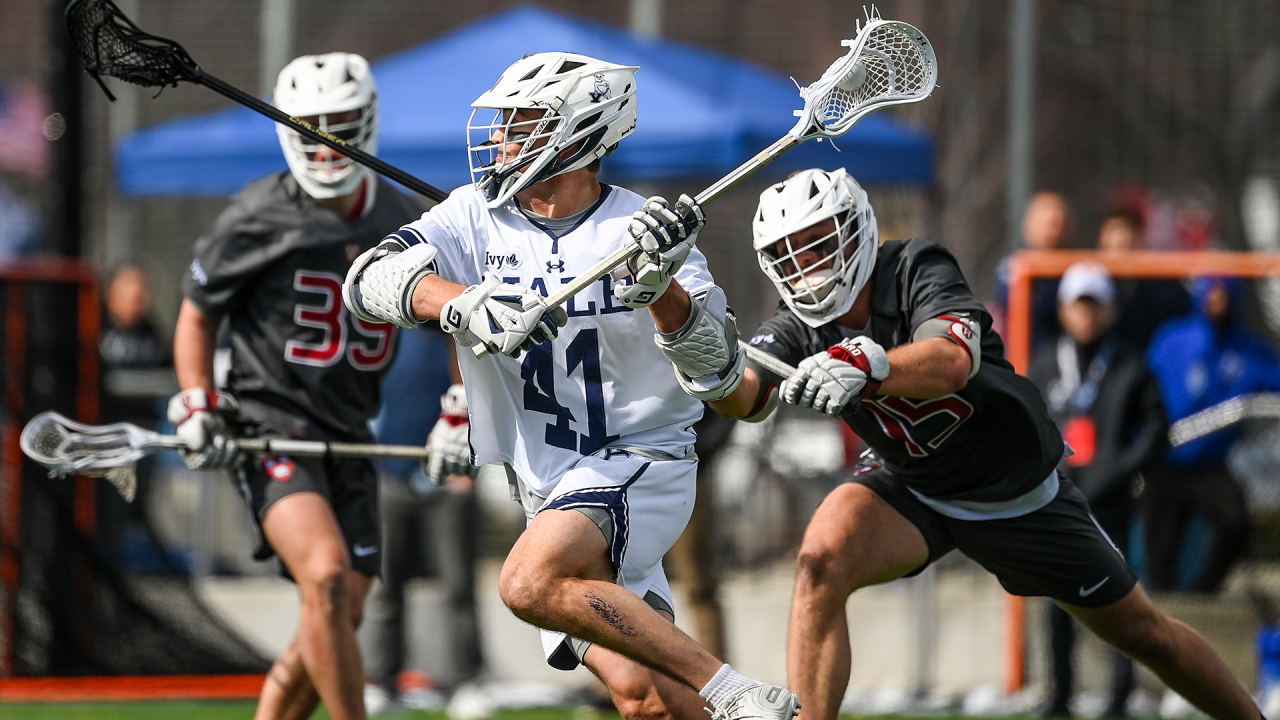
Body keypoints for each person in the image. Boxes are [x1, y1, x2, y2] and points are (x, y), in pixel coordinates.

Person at [705, 168, 1260, 720]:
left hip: (1014, 494)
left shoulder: (915, 266)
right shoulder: (798, 324)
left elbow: (950, 360)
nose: (806, 269)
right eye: (789, 256)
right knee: (821, 559)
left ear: (856, 231)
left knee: (1145, 635)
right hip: (912, 484)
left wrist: (867, 363)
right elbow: (746, 397)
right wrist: (689, 339)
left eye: (817, 244)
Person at [342, 52, 799, 720]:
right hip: (547, 491)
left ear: (580, 133)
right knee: (644, 698)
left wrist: (660, 291)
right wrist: (458, 303)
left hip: (639, 463)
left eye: (521, 123)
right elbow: (366, 283)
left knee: (527, 582)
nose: (499, 140)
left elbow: (726, 387)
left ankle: (736, 691)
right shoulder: (473, 216)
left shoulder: (642, 233)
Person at [168, 53, 424, 720]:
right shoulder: (257, 212)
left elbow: (452, 320)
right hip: (270, 422)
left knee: (339, 607)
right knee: (328, 579)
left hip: (351, 432)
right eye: (313, 129)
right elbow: (197, 314)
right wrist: (198, 402)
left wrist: (460, 411)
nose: (328, 144)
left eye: (342, 125)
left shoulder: (400, 219)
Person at [1029, 262, 1166, 718]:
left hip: (1111, 503)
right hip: (1057, 500)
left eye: (1095, 305)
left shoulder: (1130, 364)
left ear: (1109, 310)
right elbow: (1026, 424)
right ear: (1064, 310)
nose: (1086, 315)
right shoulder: (1046, 362)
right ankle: (1059, 695)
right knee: (1057, 605)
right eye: (1078, 305)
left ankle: (1120, 696)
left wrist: (1119, 469)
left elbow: (1154, 428)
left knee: (1119, 600)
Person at [361, 328, 483, 715]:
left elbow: (476, 394)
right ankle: (381, 680)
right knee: (384, 587)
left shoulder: (456, 332)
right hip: (388, 475)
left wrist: (467, 463)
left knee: (458, 586)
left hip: (448, 479)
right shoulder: (382, 331)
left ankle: (466, 682)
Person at [1144, 277, 1280, 593]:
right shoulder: (1172, 339)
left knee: (1236, 521)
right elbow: (1144, 388)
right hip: (1164, 461)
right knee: (1160, 547)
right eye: (1212, 295)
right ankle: (1162, 609)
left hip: (1209, 465)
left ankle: (1201, 594)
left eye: (1225, 295)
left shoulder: (1251, 351)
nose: (1218, 303)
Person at [1095, 209, 1189, 347]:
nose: (1120, 239)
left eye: (1126, 244)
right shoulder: (1089, 286)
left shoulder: (1162, 287)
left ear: (1139, 240)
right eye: (1114, 244)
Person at [994, 191, 1074, 347]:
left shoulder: (1076, 269)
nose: (1054, 232)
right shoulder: (1013, 266)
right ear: (1028, 226)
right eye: (1048, 224)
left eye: (1059, 224)